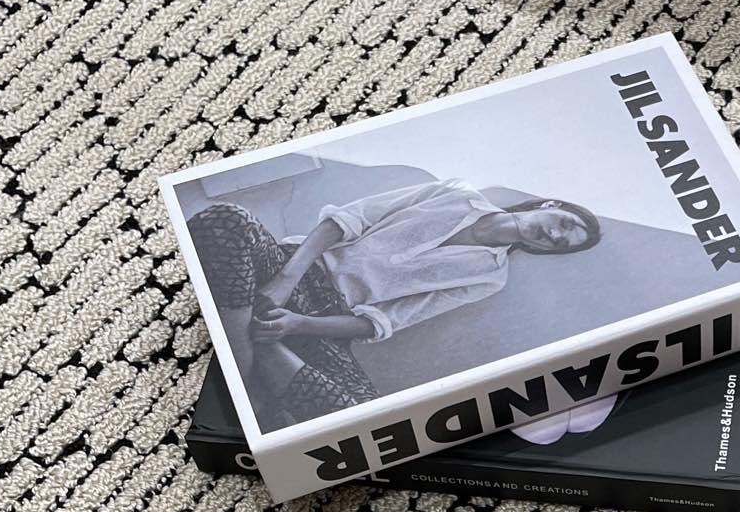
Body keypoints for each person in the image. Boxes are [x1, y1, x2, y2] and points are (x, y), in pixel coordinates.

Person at [186, 177, 602, 429]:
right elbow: (349, 219)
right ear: (550, 205)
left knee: (362, 417)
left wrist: (297, 324)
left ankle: (254, 336)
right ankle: (250, 368)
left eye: (562, 243)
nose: (554, 235)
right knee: (225, 219)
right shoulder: (455, 192)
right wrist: (285, 279)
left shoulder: (490, 278)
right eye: (563, 223)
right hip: (291, 264)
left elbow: (382, 322)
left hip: (324, 322)